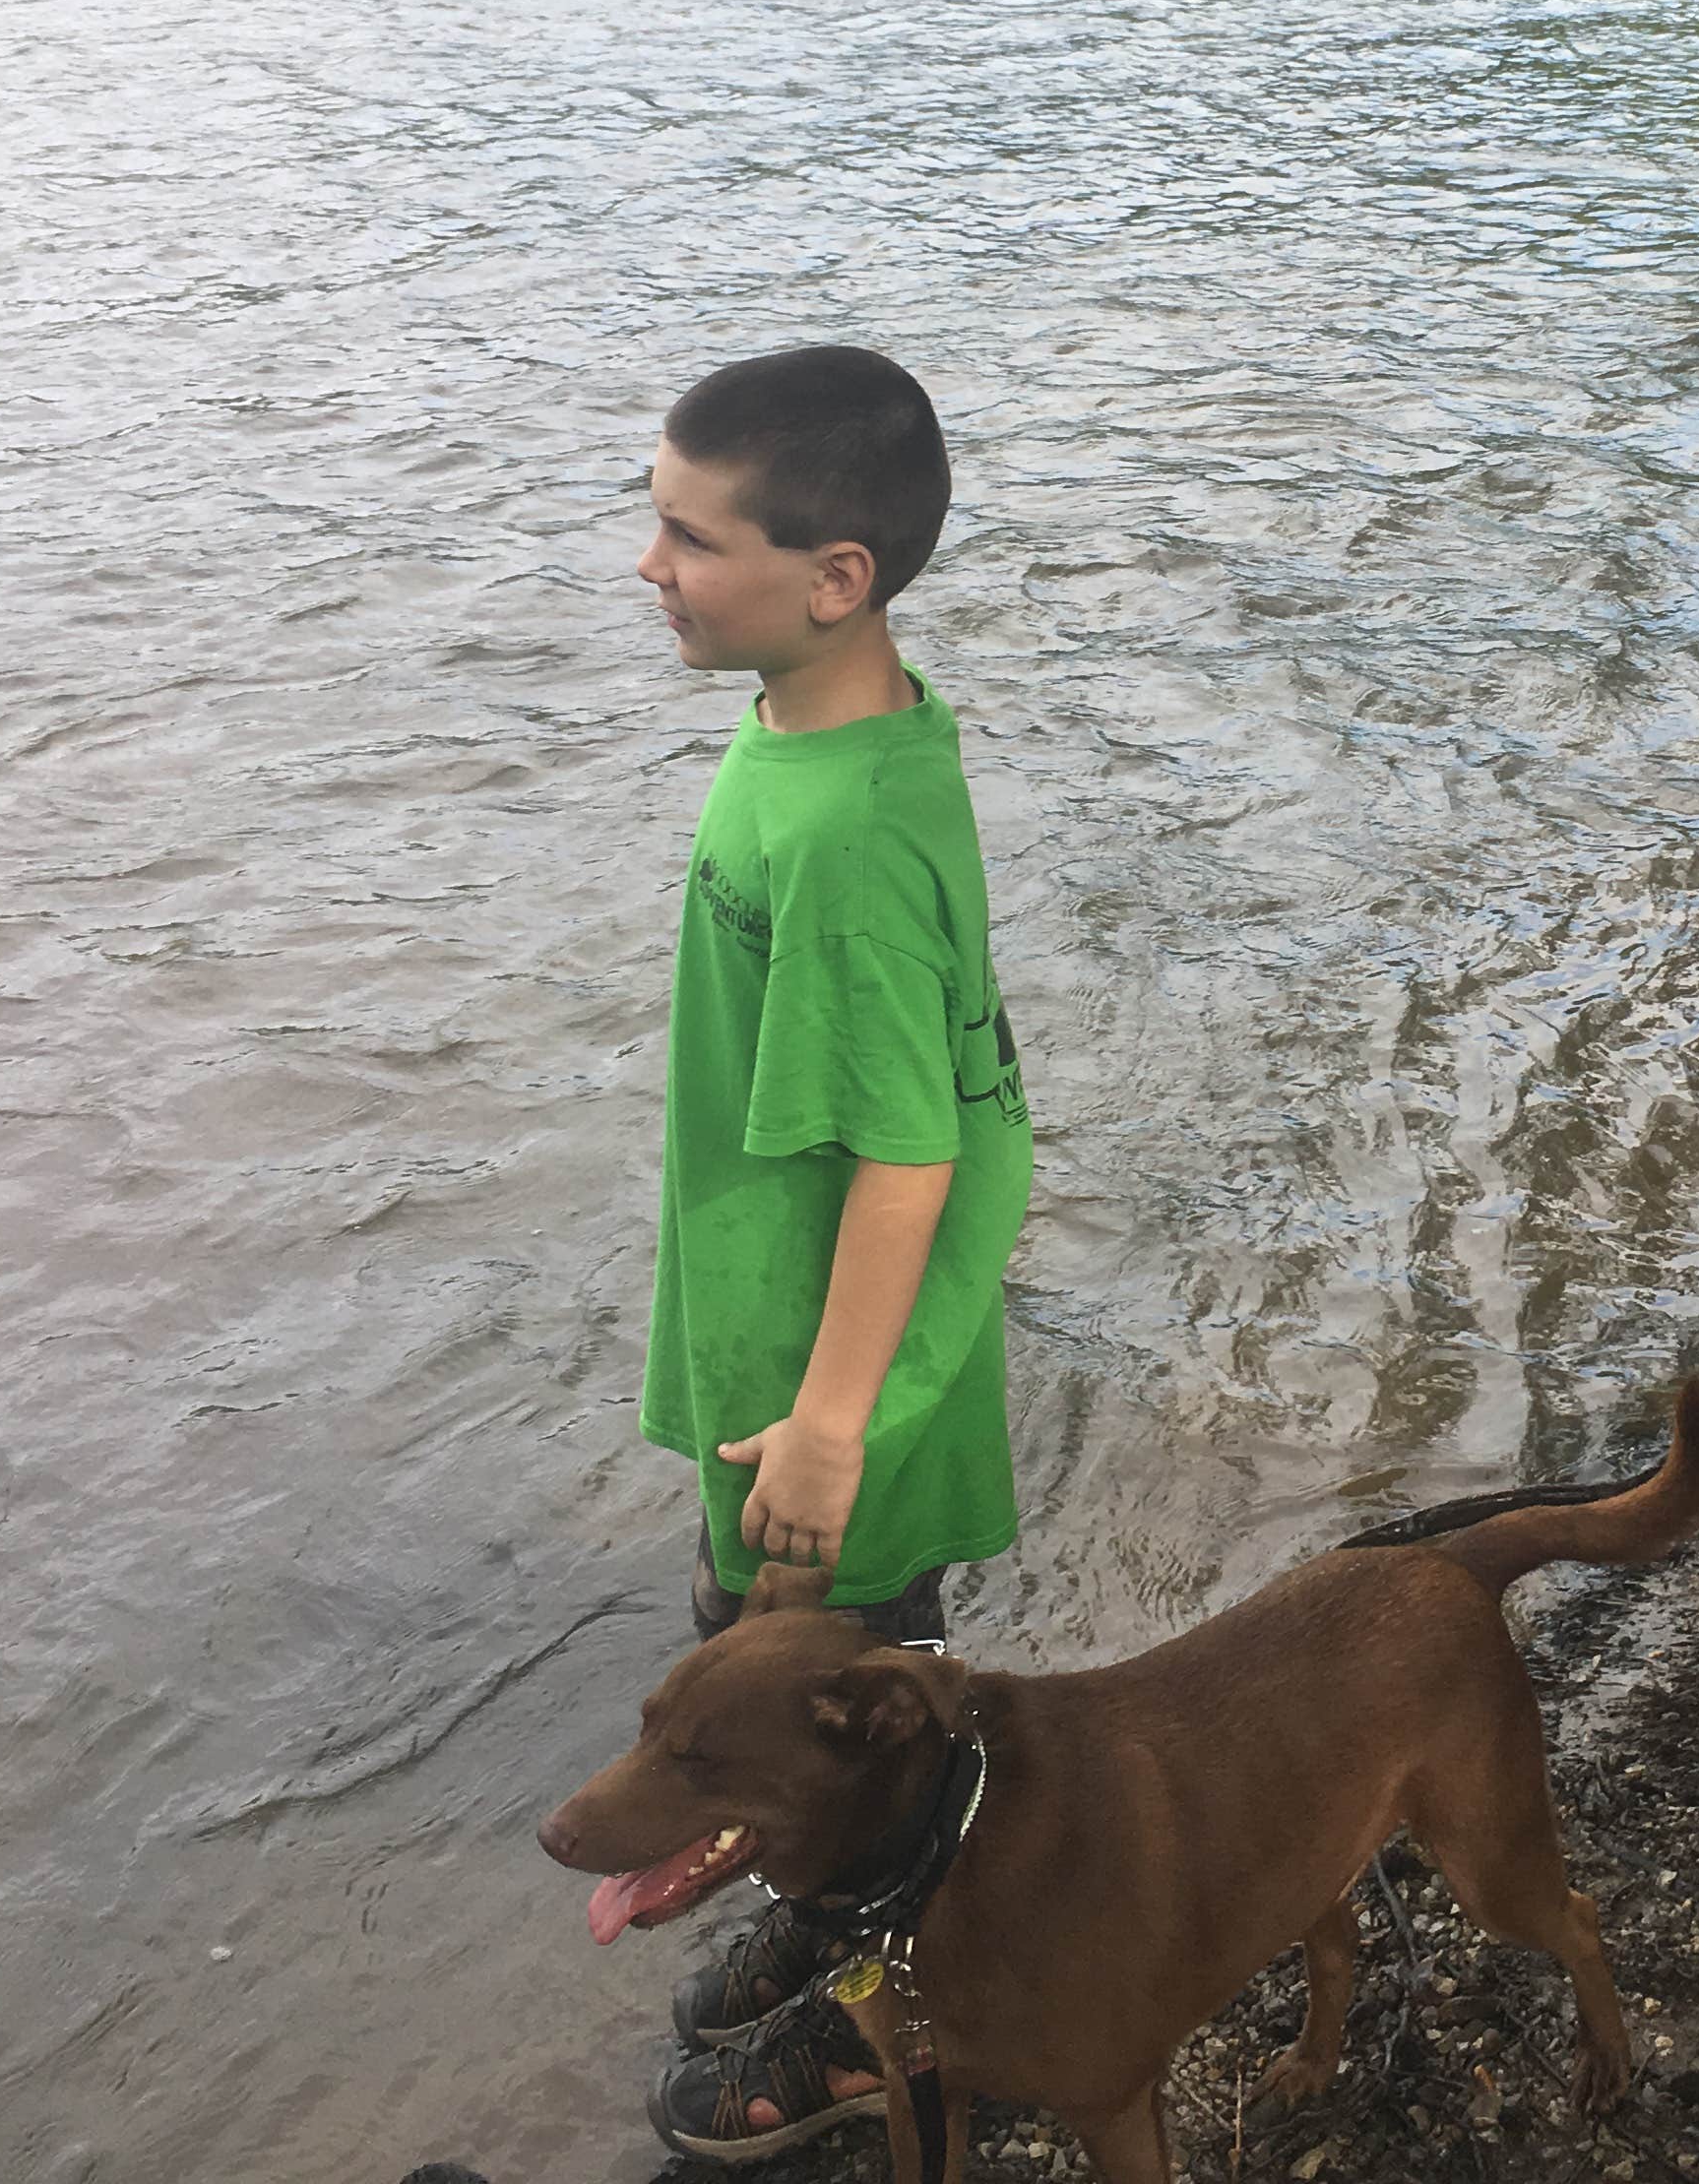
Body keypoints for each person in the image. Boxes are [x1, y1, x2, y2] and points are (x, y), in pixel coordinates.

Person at [624, 343, 1034, 2157]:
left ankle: (894, 2018)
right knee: (767, 1656)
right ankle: (831, 1911)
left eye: (686, 536)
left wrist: (826, 1423)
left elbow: (909, 1156)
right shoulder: (812, 712)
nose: (649, 565)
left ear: (833, 574)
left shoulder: (853, 832)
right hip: (782, 1323)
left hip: (834, 1368)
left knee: (841, 1711)